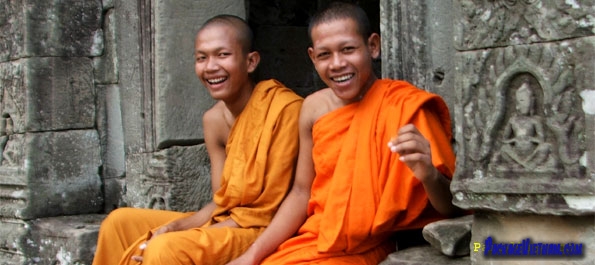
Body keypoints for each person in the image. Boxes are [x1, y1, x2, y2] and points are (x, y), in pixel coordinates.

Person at [227, 2, 462, 264]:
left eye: (348, 49)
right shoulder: (313, 109)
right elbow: (301, 192)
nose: (337, 64)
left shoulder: (404, 107)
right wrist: (252, 255)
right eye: (325, 54)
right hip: (316, 240)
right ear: (312, 57)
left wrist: (428, 173)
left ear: (372, 46)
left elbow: (451, 208)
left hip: (374, 246)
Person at [91, 14, 303, 265]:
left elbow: (267, 212)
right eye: (202, 58)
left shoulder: (284, 109)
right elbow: (221, 202)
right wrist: (177, 226)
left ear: (250, 62)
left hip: (261, 231)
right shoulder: (213, 121)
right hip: (225, 222)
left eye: (223, 55)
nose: (210, 67)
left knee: (164, 249)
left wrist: (185, 235)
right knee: (119, 223)